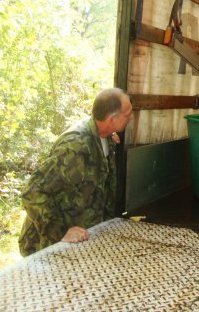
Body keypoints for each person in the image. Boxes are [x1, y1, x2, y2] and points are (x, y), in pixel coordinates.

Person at [19, 88, 133, 256]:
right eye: (127, 114)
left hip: (82, 242)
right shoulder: (75, 147)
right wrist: (60, 231)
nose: (131, 117)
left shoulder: (104, 134)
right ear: (112, 119)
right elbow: (32, 193)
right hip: (50, 246)